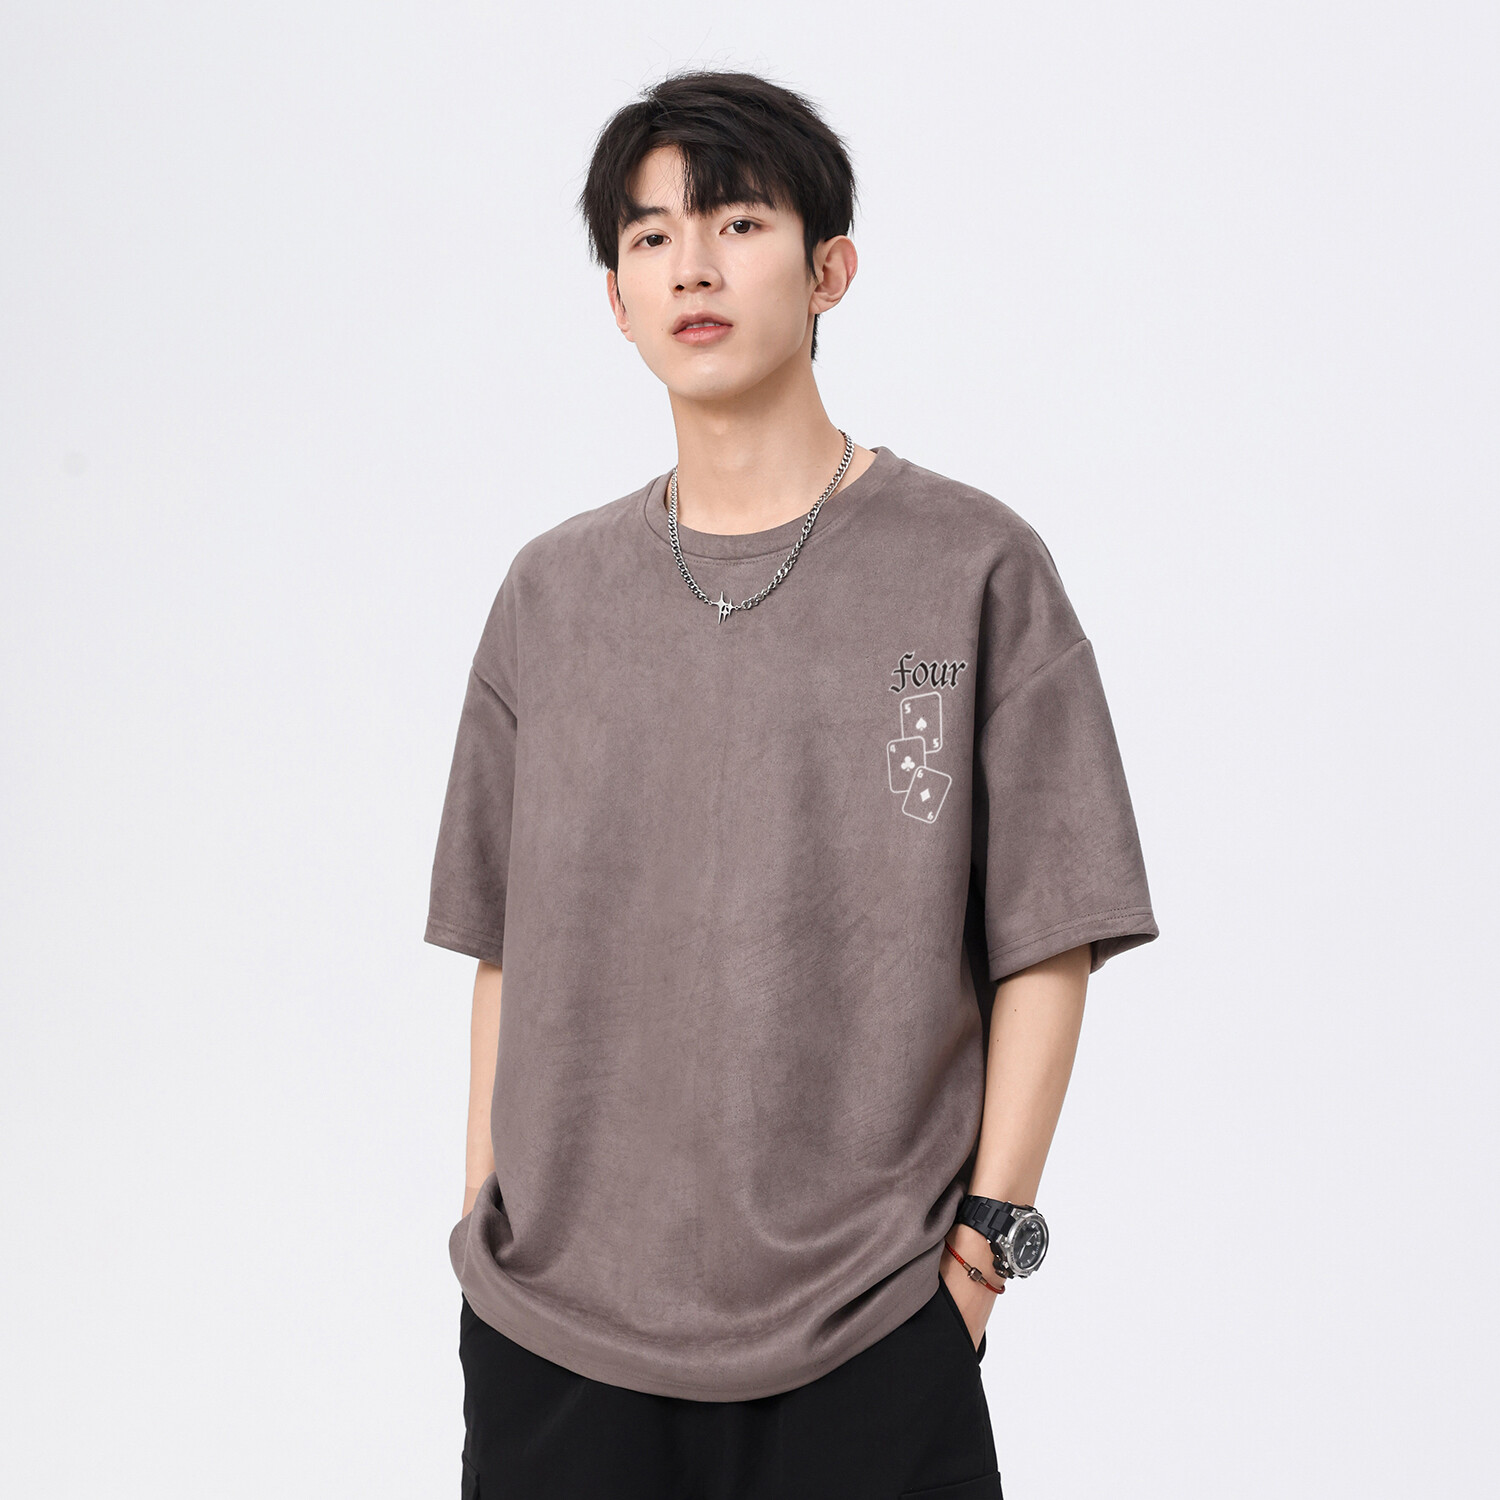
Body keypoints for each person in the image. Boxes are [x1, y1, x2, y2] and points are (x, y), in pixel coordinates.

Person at [425, 68, 1158, 1500]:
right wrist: (480, 1229)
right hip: (555, 1337)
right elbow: (505, 946)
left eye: (737, 223)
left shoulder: (972, 567)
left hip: (869, 1328)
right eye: (649, 237)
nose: (691, 266)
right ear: (616, 297)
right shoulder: (550, 596)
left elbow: (1051, 936)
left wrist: (980, 1259)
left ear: (831, 270)